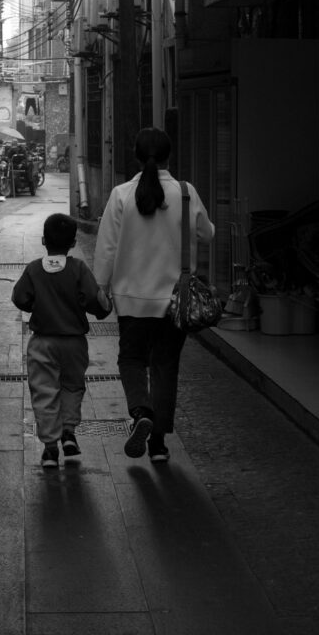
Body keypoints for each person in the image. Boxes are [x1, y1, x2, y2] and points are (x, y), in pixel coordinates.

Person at [93, 127, 215, 463]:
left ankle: (141, 411)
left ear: (136, 156)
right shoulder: (185, 193)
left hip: (131, 298)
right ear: (169, 156)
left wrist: (100, 287)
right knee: (165, 365)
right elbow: (207, 233)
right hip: (175, 301)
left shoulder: (121, 195)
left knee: (131, 359)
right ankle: (158, 445)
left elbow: (106, 247)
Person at [12, 212, 112, 467]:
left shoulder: (34, 269)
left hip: (42, 342)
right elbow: (95, 299)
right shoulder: (78, 268)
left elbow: (19, 297)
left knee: (44, 390)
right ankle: (68, 431)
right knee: (72, 386)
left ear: (43, 240)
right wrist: (104, 309)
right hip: (74, 342)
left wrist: (37, 305)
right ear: (74, 243)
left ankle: (49, 449)